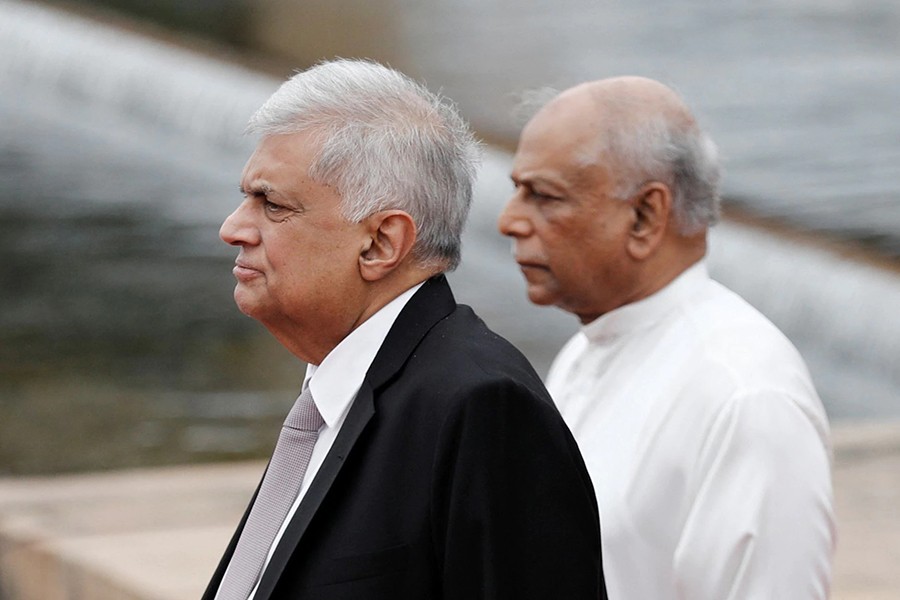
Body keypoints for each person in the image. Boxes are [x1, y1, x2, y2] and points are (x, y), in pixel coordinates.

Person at [203, 59, 606, 600]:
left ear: (380, 244)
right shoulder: (340, 386)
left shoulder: (482, 406)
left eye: (271, 204)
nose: (233, 228)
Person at [498, 76, 835, 599]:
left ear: (645, 216)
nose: (509, 220)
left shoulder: (744, 396)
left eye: (544, 196)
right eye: (517, 189)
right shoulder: (585, 351)